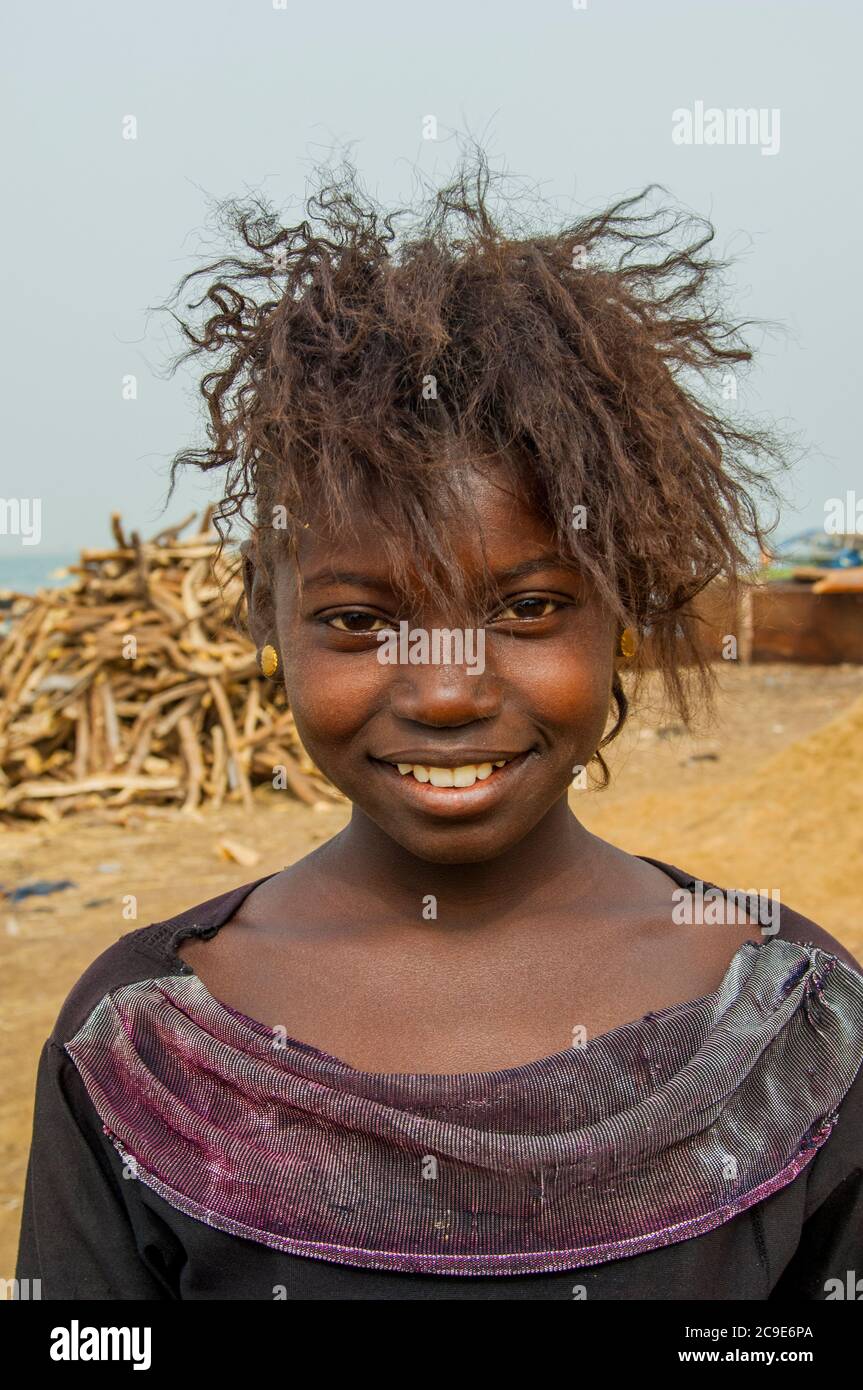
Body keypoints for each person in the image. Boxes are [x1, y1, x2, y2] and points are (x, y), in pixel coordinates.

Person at [16, 156, 863, 1300]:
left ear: (626, 605)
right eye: (362, 619)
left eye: (525, 608)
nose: (449, 690)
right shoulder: (142, 1040)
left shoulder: (791, 1025)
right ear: (266, 615)